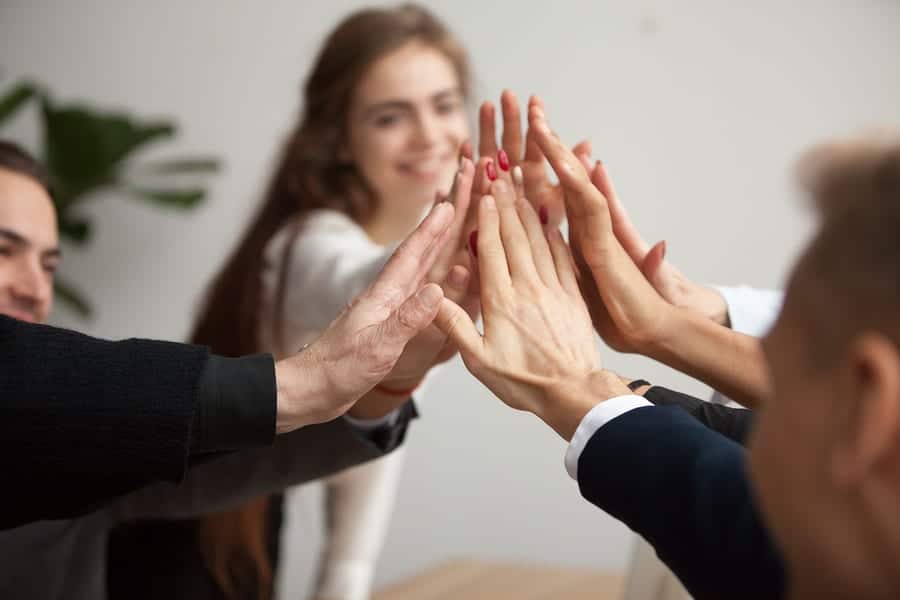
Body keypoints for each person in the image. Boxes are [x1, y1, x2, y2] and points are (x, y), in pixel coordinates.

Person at [109, 7, 485, 599]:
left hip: (246, 512)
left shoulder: (382, 248)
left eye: (443, 104)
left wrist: (346, 580)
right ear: (338, 137)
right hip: (182, 529)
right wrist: (450, 239)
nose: (430, 135)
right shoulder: (308, 245)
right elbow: (365, 280)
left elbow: (369, 457)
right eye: (391, 116)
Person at [0, 140, 463, 599]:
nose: (36, 289)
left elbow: (237, 454)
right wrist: (306, 382)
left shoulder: (78, 435)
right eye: (4, 250)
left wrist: (391, 379)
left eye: (49, 265)